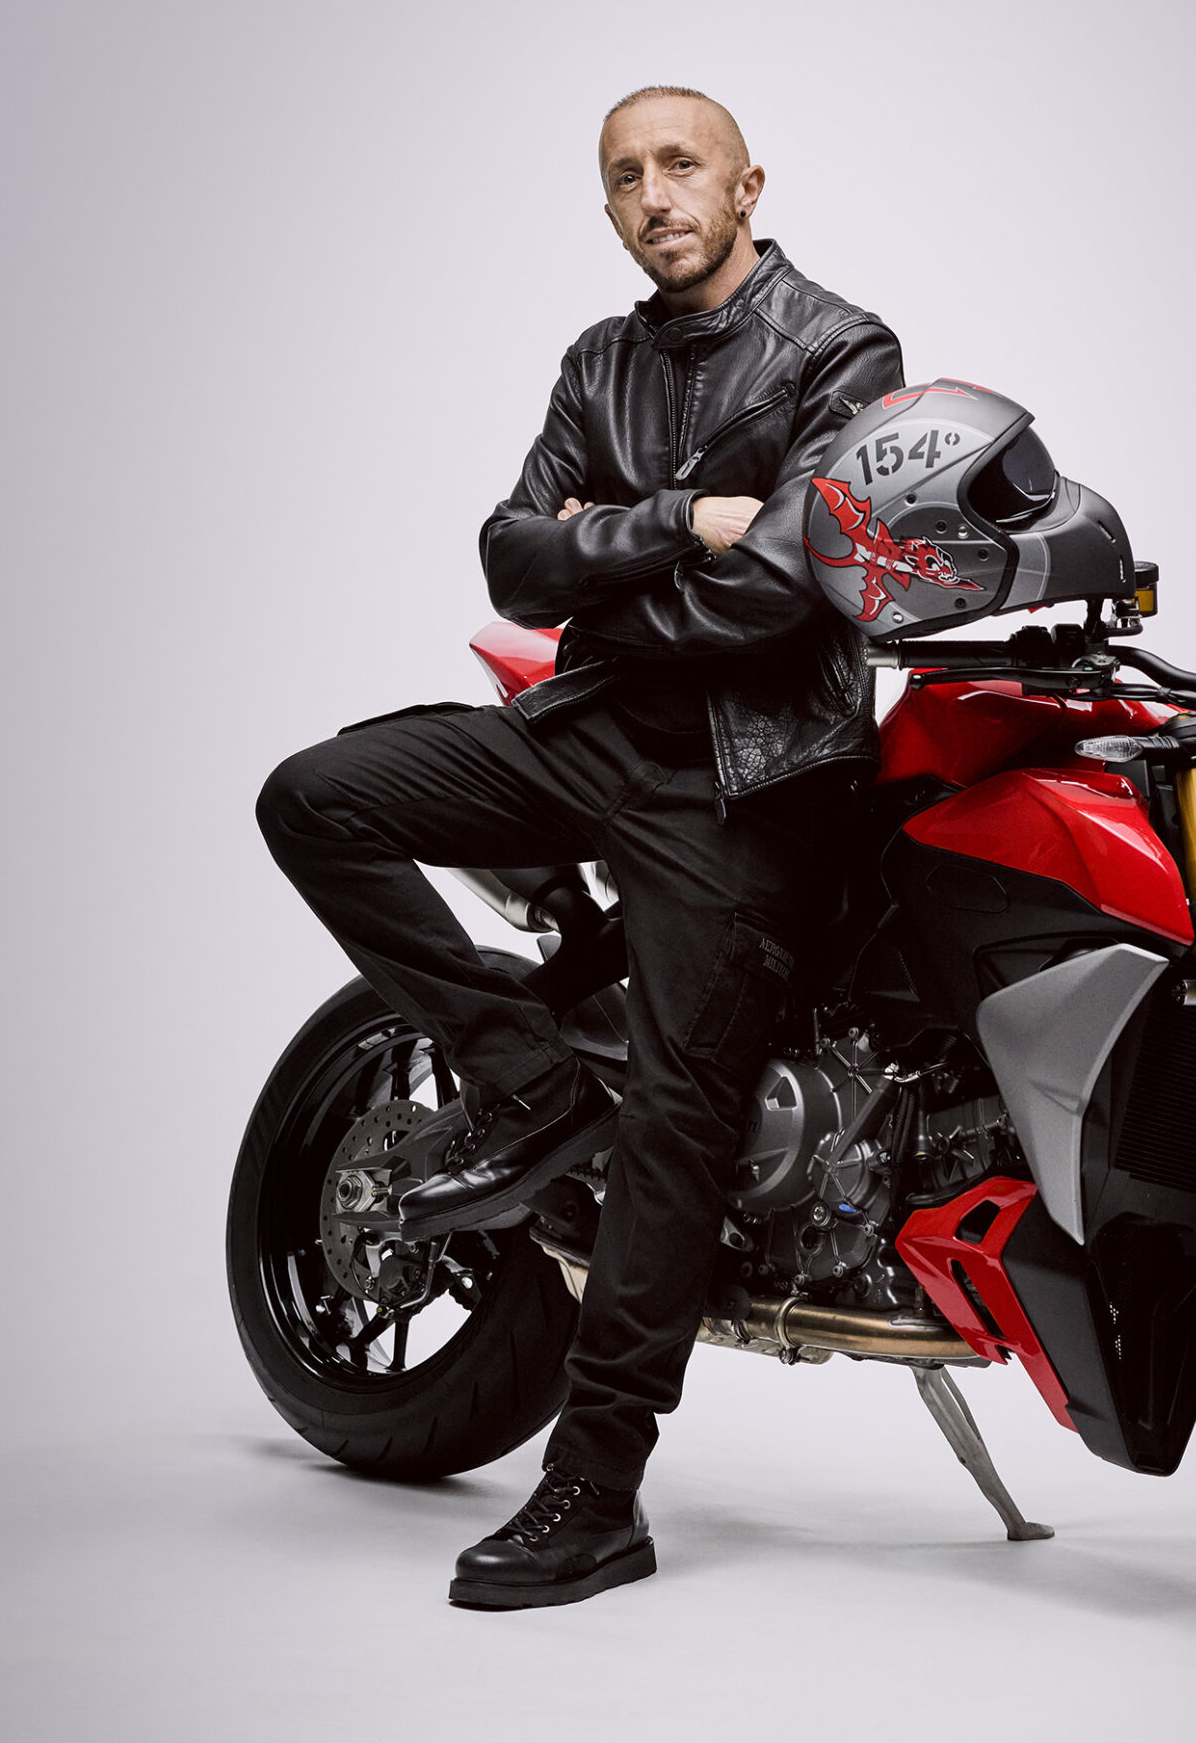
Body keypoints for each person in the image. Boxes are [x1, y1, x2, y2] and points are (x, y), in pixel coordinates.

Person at [257, 87, 904, 1608]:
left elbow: (786, 591)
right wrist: (681, 521)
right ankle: (532, 1079)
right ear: (607, 205)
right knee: (314, 797)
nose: (654, 195)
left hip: (748, 777)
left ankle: (596, 1492)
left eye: (681, 166)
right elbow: (511, 557)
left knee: (683, 1106)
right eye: (625, 177)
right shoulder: (597, 361)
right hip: (589, 729)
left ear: (748, 185)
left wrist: (609, 552)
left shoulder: (841, 350)